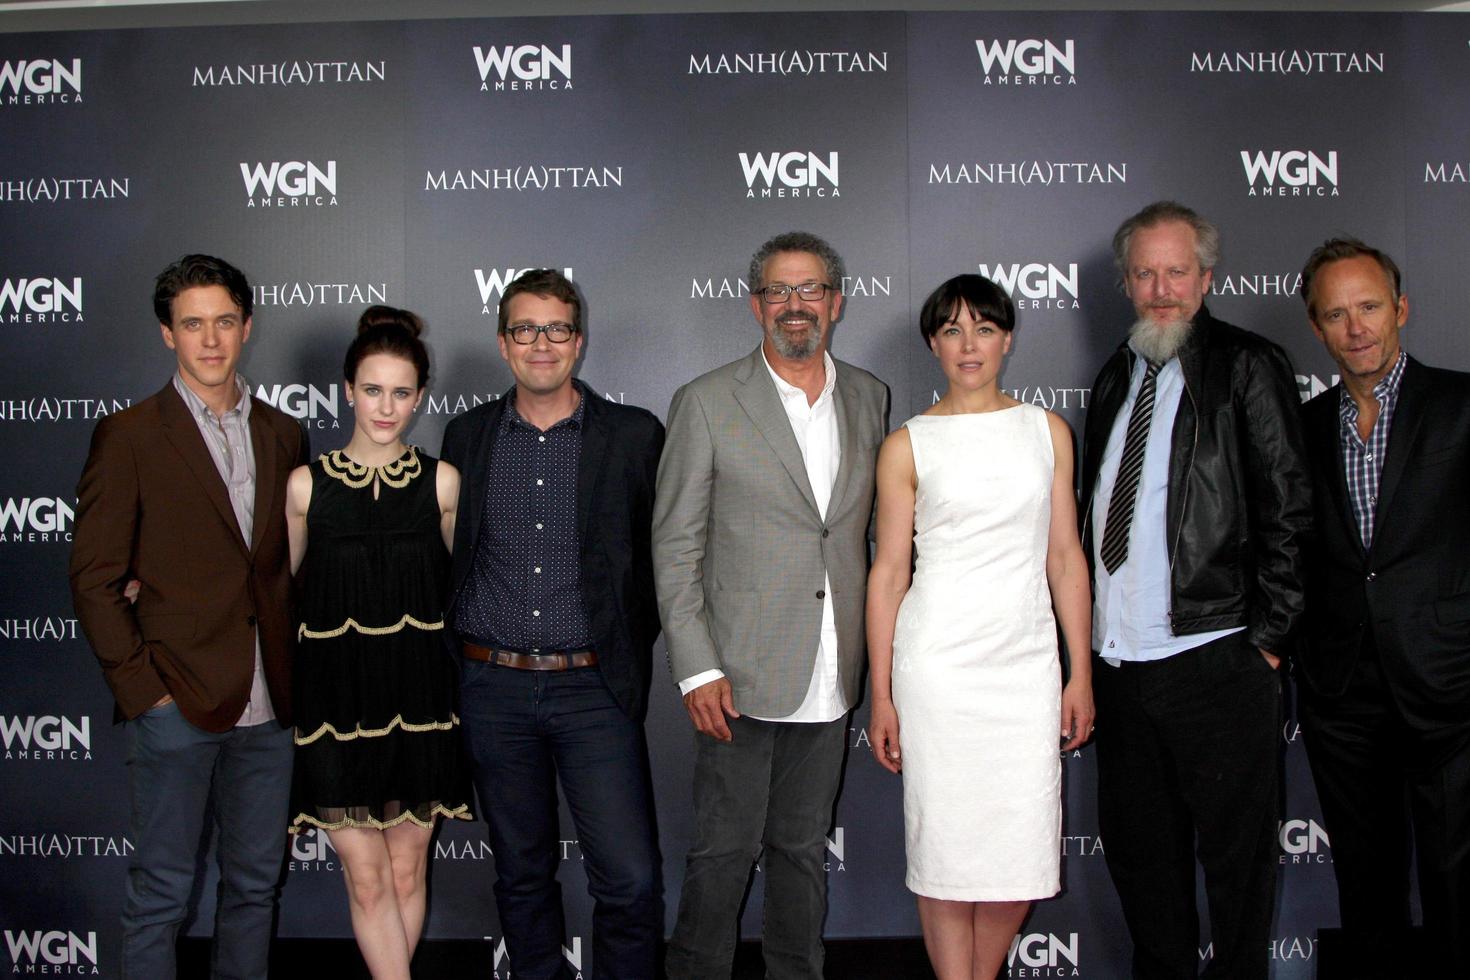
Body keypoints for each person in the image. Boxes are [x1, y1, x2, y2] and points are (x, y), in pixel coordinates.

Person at [1078, 201, 1311, 979]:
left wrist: (1269, 643)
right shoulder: (1117, 375)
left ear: (1207, 277)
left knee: (1238, 874)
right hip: (1120, 668)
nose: (1161, 287)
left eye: (1177, 270)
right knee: (1145, 869)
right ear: (1126, 282)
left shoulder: (1248, 364)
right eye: (1144, 272)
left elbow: (1289, 506)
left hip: (1215, 658)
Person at [655, 231, 889, 979]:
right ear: (756, 305)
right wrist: (696, 670)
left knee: (802, 853)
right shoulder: (706, 401)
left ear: (837, 301)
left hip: (830, 672)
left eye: (810, 289)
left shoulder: (868, 395)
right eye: (780, 292)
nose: (796, 306)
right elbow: (675, 546)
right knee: (722, 857)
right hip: (739, 678)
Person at [68, 254, 309, 979]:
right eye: (193, 324)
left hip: (269, 713)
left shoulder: (284, 432)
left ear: (248, 327)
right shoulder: (131, 435)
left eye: (225, 322)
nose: (211, 340)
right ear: (167, 334)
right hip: (176, 706)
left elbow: (280, 568)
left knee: (255, 890)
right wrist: (147, 694)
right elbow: (94, 579)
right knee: (161, 896)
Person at [865, 274, 1093, 979]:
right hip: (937, 669)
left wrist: (1079, 672)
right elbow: (889, 573)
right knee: (944, 847)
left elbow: (1064, 557)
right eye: (954, 330)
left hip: (1024, 667)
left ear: (1008, 338)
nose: (970, 345)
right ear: (933, 343)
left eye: (985, 328)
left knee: (1019, 852)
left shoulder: (1046, 431)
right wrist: (881, 692)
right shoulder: (908, 445)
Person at [442, 269, 665, 980]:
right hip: (492, 688)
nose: (542, 344)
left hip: (593, 690)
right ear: (504, 344)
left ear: (579, 340)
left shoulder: (633, 435)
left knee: (630, 879)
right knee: (521, 875)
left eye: (557, 329)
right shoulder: (468, 436)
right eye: (525, 329)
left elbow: (662, 562)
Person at [1295, 237, 1470, 976]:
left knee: (1458, 882)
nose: (1355, 327)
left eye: (1368, 307)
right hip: (1343, 692)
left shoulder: (1460, 405)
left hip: (1450, 683)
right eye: (1336, 315)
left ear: (1400, 309)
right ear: (1317, 329)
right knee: (1365, 888)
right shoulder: (1304, 427)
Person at [285, 305, 472, 979]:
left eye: (400, 392)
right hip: (334, 709)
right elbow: (270, 594)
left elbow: (473, 590)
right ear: (347, 391)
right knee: (365, 877)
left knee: (404, 865)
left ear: (420, 396)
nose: (385, 406)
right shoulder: (305, 488)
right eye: (372, 390)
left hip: (422, 704)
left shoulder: (442, 483)